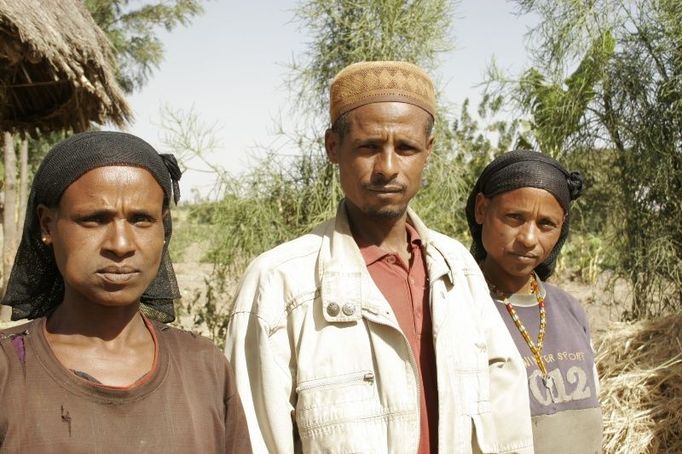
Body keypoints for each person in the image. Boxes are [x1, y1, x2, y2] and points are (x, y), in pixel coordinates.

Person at [224, 61, 534, 453]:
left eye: (406, 148)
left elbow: (507, 420)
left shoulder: (459, 270)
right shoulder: (280, 283)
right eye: (369, 147)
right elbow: (255, 437)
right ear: (333, 147)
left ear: (428, 151)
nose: (388, 168)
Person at [0, 131, 252, 453]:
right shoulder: (9, 371)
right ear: (48, 226)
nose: (121, 244)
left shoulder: (204, 368)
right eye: (95, 219)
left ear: (163, 228)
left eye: (141, 219)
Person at [465, 150, 602, 453]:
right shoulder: (460, 307)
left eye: (546, 224)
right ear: (481, 209)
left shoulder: (570, 309)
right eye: (514, 217)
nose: (528, 238)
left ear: (562, 226)